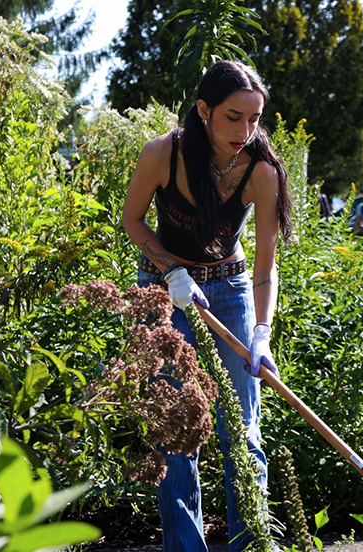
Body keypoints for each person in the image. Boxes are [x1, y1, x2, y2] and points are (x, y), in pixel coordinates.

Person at [121, 60, 293, 552]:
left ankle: (250, 544)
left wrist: (262, 331)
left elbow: (264, 268)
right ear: (204, 110)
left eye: (255, 119)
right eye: (234, 117)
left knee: (242, 431)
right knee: (175, 433)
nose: (246, 130)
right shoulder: (162, 154)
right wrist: (171, 272)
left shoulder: (261, 172)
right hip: (165, 291)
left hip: (229, 290)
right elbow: (133, 221)